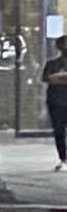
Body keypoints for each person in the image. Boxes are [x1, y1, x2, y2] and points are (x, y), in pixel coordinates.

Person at [41, 35, 67, 170]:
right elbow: (47, 78)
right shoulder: (52, 64)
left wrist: (59, 77)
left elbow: (54, 78)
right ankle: (63, 158)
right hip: (56, 101)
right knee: (59, 131)